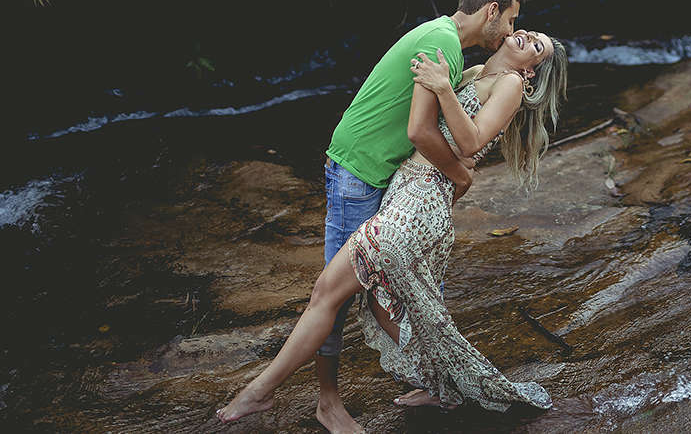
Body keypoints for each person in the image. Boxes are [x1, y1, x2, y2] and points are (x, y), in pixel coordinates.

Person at [217, 28, 568, 427]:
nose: (524, 35)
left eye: (537, 45)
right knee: (405, 310)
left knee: (327, 295)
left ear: (533, 72)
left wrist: (442, 88)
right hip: (407, 192)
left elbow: (470, 142)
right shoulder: (475, 73)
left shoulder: (510, 85)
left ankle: (260, 391)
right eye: (527, 30)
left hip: (418, 206)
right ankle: (447, 388)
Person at [283, 0, 524, 434]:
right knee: (331, 294)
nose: (511, 31)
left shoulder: (451, 48)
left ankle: (435, 383)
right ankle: (327, 402)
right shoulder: (443, 46)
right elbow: (420, 130)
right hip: (360, 172)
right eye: (511, 20)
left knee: (377, 291)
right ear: (491, 11)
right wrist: (460, 174)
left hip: (373, 172)